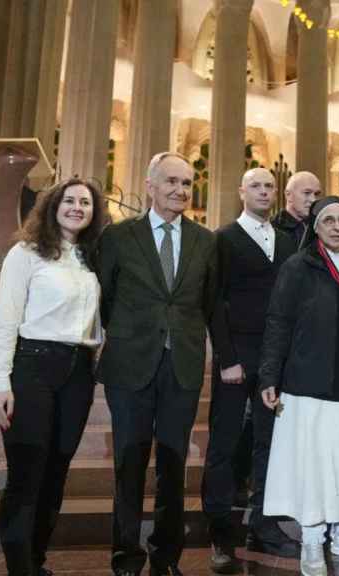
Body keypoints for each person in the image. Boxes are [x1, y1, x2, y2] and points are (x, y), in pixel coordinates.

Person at [96, 152, 219, 576]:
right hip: (130, 364)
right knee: (128, 463)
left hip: (181, 366)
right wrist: (133, 335)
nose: (180, 190)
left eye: (187, 183)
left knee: (173, 464)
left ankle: (165, 555)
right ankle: (126, 557)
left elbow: (208, 302)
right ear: (149, 186)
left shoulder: (206, 241)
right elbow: (106, 299)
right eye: (171, 181)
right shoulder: (118, 237)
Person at [259, 196, 339, 576]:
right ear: (315, 227)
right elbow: (278, 322)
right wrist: (269, 375)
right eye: (328, 220)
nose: (336, 226)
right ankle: (312, 540)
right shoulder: (298, 266)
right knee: (313, 464)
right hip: (307, 381)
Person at [0, 179, 105, 576]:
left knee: (56, 471)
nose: (77, 207)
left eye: (85, 202)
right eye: (69, 200)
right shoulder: (27, 253)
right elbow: (5, 321)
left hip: (78, 372)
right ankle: (19, 567)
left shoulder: (91, 258)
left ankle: (36, 560)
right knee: (27, 470)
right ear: (53, 205)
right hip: (32, 366)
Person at [202, 168, 299, 572]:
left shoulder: (286, 240)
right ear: (241, 191)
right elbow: (214, 301)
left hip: (273, 359)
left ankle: (264, 524)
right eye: (256, 185)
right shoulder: (223, 238)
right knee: (223, 446)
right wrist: (226, 358)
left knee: (269, 444)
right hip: (235, 358)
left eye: (269, 187)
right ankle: (220, 535)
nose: (263, 191)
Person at [271, 171, 322, 249]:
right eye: (307, 193)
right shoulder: (271, 228)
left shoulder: (322, 228)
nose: (313, 200)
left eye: (317, 194)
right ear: (288, 195)